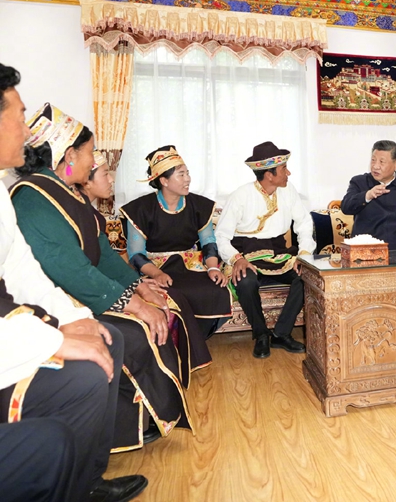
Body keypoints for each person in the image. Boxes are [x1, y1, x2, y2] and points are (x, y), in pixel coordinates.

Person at [11, 103, 198, 451]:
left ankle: (142, 420)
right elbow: (69, 269)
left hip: (84, 292)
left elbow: (105, 255)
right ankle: (121, 431)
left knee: (155, 313)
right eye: (90, 151)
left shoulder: (68, 193)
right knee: (134, 332)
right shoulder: (32, 198)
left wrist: (139, 286)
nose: (93, 159)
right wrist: (134, 305)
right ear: (69, 156)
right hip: (60, 303)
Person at [0, 62, 146, 501]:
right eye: (19, 116)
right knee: (87, 371)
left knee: (104, 338)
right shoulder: (32, 195)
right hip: (12, 334)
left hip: (23, 317)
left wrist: (72, 317)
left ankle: (88, 479)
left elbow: (22, 268)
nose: (26, 130)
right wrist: (55, 338)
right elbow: (66, 267)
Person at [214, 141, 314, 359]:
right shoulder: (240, 195)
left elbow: (304, 224)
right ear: (269, 175)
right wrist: (236, 259)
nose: (288, 173)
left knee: (307, 277)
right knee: (245, 282)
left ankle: (281, 334)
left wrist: (304, 254)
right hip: (247, 255)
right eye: (284, 169)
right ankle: (261, 335)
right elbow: (221, 235)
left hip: (280, 254)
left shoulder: (288, 191)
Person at [121, 146, 231, 338]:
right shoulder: (139, 209)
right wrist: (157, 274)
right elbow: (136, 255)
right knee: (172, 292)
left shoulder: (200, 205)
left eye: (187, 173)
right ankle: (179, 342)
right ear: (164, 181)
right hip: (156, 267)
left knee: (215, 289)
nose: (188, 179)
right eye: (181, 175)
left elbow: (208, 243)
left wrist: (213, 268)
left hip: (192, 264)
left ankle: (196, 340)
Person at [342, 140, 396, 249]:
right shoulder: (359, 182)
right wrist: (367, 195)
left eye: (381, 162)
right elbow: (346, 207)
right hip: (365, 252)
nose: (375, 166)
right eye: (373, 160)